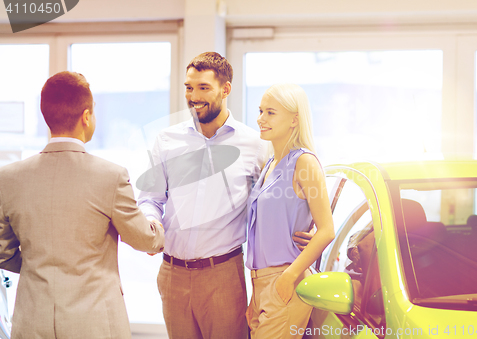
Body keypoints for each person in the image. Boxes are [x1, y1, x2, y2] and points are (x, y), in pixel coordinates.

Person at [137, 52, 313, 339]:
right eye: (189, 87)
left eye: (203, 88)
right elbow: (150, 199)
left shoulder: (255, 144)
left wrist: (306, 225)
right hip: (172, 274)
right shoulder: (166, 140)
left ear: (225, 89)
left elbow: (276, 198)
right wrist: (150, 224)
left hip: (223, 274)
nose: (193, 96)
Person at [0, 71, 165, 339]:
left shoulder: (9, 178)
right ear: (86, 117)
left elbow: (3, 252)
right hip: (94, 324)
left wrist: (38, 266)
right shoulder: (110, 176)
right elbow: (144, 240)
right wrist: (157, 224)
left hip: (32, 322)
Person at [246, 83, 335, 338]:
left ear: (294, 120)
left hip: (284, 280)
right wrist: (258, 291)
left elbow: (327, 230)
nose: (260, 119)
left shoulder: (304, 162)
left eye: (270, 113)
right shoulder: (271, 163)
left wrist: (288, 276)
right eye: (260, 111)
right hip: (260, 282)